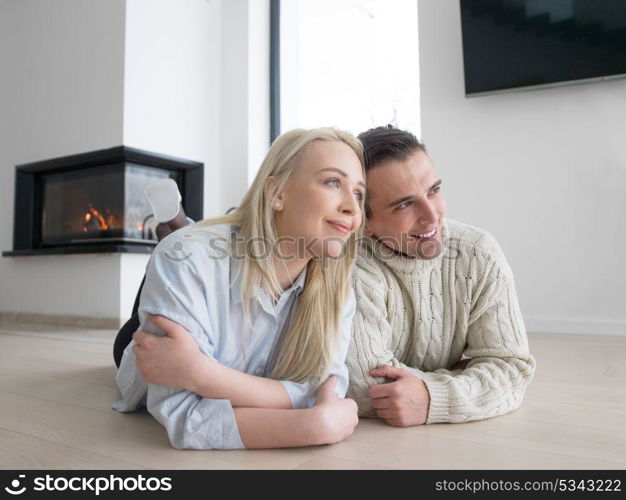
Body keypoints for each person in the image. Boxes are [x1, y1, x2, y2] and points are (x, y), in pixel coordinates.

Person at [112, 127, 366, 449]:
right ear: (277, 193)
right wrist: (312, 425)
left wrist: (200, 373)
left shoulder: (337, 287)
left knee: (186, 254)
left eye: (359, 193)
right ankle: (184, 233)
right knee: (176, 258)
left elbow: (323, 391)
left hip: (209, 288)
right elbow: (186, 417)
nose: (352, 208)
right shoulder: (186, 260)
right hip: (144, 346)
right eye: (333, 182)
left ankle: (189, 227)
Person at [346, 125, 536, 426]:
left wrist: (431, 395)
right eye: (405, 204)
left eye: (434, 190)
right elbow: (361, 386)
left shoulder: (478, 252)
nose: (432, 216)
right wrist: (467, 378)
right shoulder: (352, 264)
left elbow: (512, 368)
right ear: (364, 222)